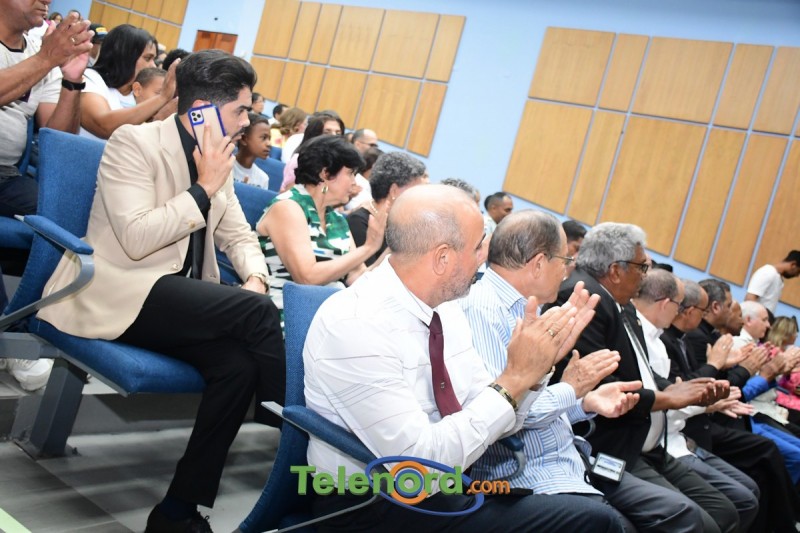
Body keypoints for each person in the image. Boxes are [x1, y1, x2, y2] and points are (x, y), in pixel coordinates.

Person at [38, 50, 285, 533]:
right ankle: (287, 422)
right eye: (240, 110)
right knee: (257, 315)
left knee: (237, 366)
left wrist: (255, 277)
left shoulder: (218, 158)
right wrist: (202, 190)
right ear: (202, 111)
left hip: (174, 301)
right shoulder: (135, 142)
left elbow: (239, 236)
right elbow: (136, 237)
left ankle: (177, 512)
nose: (247, 121)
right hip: (117, 290)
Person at [304, 184, 625, 532]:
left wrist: (535, 370)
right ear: (442, 258)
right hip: (374, 503)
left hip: (444, 489)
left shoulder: (446, 310)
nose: (484, 259)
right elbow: (419, 469)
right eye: (477, 247)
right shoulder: (357, 324)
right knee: (596, 521)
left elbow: (503, 419)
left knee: (592, 516)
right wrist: (513, 380)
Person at [462, 210, 720, 532]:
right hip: (525, 474)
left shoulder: (528, 308)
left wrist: (585, 402)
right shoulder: (484, 311)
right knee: (641, 522)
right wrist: (571, 388)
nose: (569, 269)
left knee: (685, 515)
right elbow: (501, 415)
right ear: (539, 263)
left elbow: (528, 406)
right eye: (565, 260)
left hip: (572, 457)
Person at [547, 222, 738, 533]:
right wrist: (667, 397)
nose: (644, 276)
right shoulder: (585, 297)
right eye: (640, 267)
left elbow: (638, 374)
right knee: (691, 518)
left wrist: (674, 390)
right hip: (598, 447)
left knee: (717, 513)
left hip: (633, 446)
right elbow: (599, 386)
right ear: (615, 270)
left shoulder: (615, 303)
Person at [634, 270, 760, 532]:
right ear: (667, 304)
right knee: (726, 508)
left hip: (670, 438)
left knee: (739, 499)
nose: (681, 312)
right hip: (655, 444)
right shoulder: (656, 336)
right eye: (680, 305)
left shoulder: (662, 340)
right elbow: (668, 394)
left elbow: (678, 389)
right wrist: (716, 372)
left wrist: (715, 379)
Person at [257, 135, 386, 311]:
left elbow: (357, 277)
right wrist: (368, 248)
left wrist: (391, 252)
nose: (354, 182)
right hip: (287, 312)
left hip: (326, 312)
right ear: (325, 174)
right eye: (350, 173)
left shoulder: (336, 219)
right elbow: (306, 277)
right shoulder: (289, 207)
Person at [0, 8, 92, 219]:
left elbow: (58, 138)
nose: (47, 1)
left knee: (69, 212)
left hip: (5, 175)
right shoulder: (45, 55)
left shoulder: (38, 52)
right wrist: (46, 58)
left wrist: (72, 81)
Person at [80, 24, 177, 139]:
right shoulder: (90, 79)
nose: (153, 66)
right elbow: (103, 126)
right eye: (147, 58)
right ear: (125, 56)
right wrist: (162, 97)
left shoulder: (138, 91)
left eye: (153, 59)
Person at [348, 152, 428, 267]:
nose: (420, 198)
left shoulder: (398, 224)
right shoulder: (359, 222)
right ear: (394, 191)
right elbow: (362, 275)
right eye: (415, 192)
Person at [279, 111, 344, 192]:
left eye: (338, 134)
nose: (334, 136)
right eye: (327, 132)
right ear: (315, 135)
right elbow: (288, 194)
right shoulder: (298, 161)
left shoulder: (339, 165)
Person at [746, 250, 800, 318]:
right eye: (798, 271)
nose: (797, 275)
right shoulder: (767, 273)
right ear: (793, 265)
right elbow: (749, 299)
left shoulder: (779, 279)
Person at [232, 112, 271, 189]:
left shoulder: (263, 179)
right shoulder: (225, 167)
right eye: (264, 138)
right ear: (244, 139)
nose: (269, 144)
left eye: (269, 138)